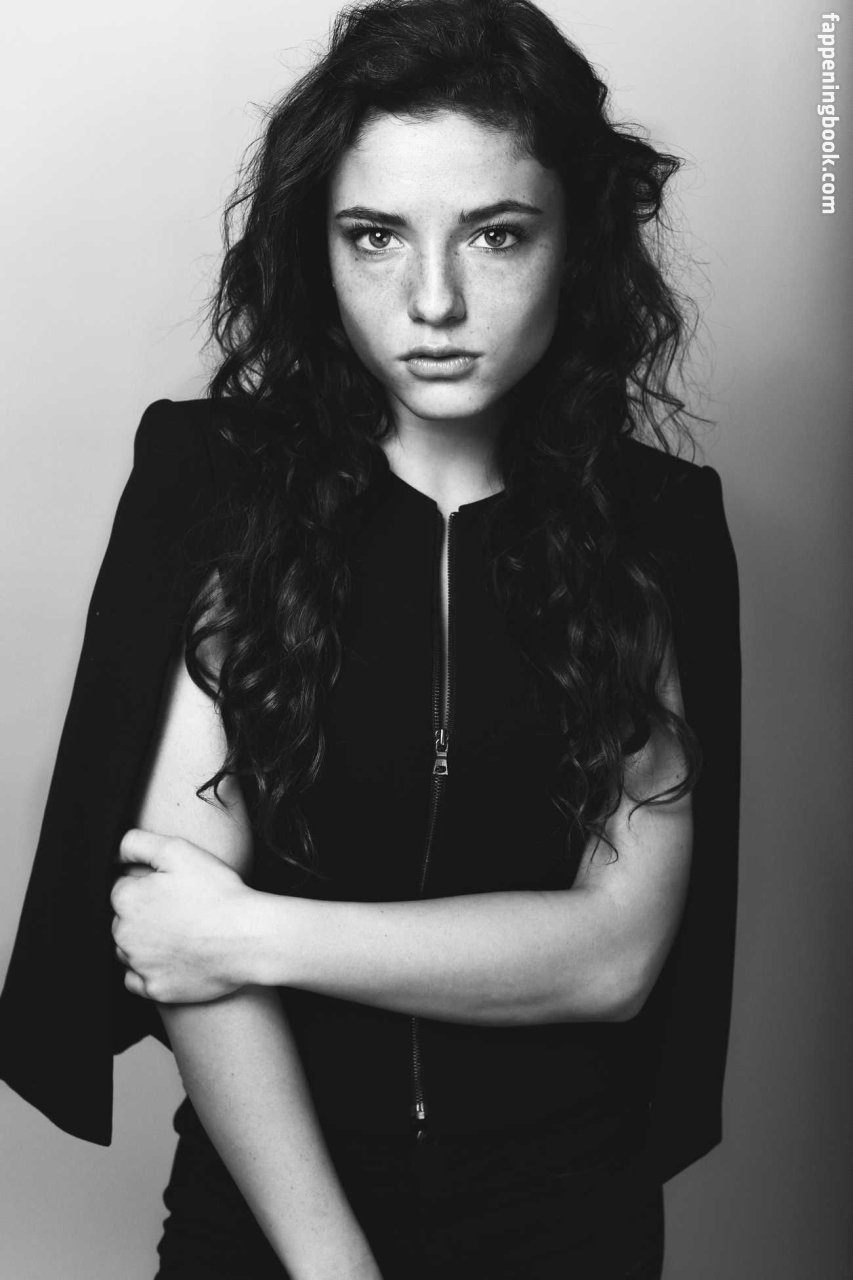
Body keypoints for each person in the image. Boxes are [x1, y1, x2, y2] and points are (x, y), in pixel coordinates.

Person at [0, 0, 742, 1277]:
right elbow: (174, 923)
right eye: (375, 235)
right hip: (266, 1214)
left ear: (575, 243)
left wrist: (255, 930)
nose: (433, 300)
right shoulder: (215, 486)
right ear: (317, 246)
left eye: (497, 234)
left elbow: (616, 954)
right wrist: (334, 1266)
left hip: (570, 1217)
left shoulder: (654, 525)